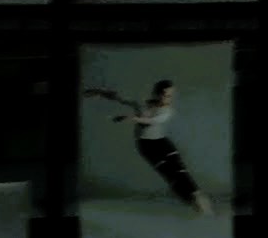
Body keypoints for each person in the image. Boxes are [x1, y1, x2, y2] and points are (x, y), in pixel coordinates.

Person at [86, 78, 212, 217]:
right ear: (157, 94)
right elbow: (119, 98)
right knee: (171, 176)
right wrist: (100, 92)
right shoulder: (141, 103)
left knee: (181, 172)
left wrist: (131, 118)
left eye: (171, 95)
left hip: (163, 143)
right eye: (166, 95)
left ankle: (203, 205)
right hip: (147, 146)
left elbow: (152, 121)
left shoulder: (168, 111)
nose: (169, 99)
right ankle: (195, 205)